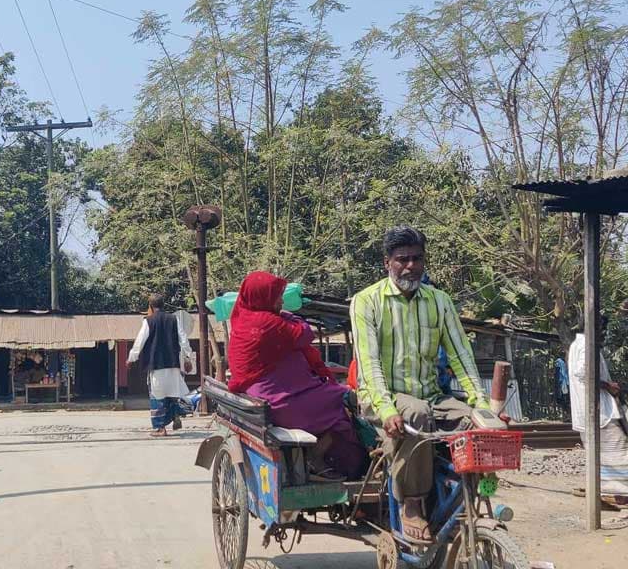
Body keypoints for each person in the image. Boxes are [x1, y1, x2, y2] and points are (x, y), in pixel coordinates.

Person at [351, 226, 490, 543]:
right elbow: (369, 364)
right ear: (387, 262)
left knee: (475, 422)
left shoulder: (439, 301)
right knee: (416, 414)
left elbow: (461, 356)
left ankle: (467, 496)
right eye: (402, 259)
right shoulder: (366, 302)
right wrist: (386, 410)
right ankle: (412, 504)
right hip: (383, 397)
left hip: (431, 396)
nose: (410, 266)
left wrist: (480, 403)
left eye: (417, 258)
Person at [227, 271, 368, 481]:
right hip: (281, 402)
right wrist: (290, 316)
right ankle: (319, 458)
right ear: (263, 297)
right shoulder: (267, 323)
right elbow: (305, 333)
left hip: (268, 396)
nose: (281, 300)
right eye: (277, 296)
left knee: (336, 396)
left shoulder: (243, 318)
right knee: (344, 405)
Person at [568, 315, 628, 503]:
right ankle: (617, 493)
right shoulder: (587, 345)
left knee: (601, 452)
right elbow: (583, 373)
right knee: (618, 447)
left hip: (592, 411)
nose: (603, 332)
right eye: (601, 327)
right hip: (598, 412)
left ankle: (606, 491)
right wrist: (607, 386)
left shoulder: (579, 345)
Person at [127, 293, 194, 437]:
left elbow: (140, 342)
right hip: (173, 364)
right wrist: (188, 356)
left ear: (150, 306)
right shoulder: (174, 319)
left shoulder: (148, 321)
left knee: (157, 397)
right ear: (163, 305)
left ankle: (160, 428)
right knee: (173, 393)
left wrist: (131, 358)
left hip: (156, 366)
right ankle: (176, 415)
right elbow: (183, 340)